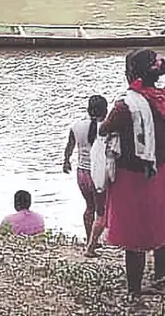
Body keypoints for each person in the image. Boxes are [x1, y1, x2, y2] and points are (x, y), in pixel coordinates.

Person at [99, 49, 165, 296]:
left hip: (132, 177)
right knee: (162, 226)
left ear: (130, 73)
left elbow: (104, 129)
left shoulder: (126, 106)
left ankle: (135, 291)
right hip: (162, 170)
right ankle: (160, 280)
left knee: (134, 238)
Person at [63, 95, 108, 251]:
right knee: (102, 211)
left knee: (89, 207)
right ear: (106, 110)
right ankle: (92, 246)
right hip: (98, 174)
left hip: (81, 173)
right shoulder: (106, 128)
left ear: (88, 110)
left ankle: (90, 238)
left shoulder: (77, 126)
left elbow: (69, 147)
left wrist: (66, 162)